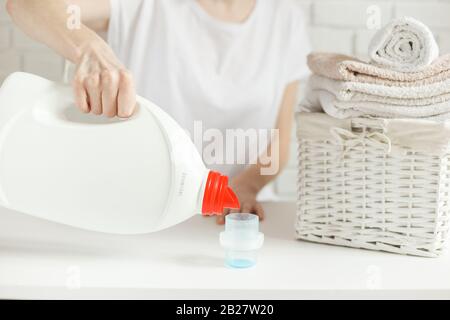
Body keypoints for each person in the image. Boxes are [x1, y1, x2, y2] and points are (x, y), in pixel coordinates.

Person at [6, 0, 310, 224]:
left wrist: (245, 186)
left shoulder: (286, 19)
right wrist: (88, 48)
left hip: (234, 220)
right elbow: (26, 5)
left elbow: (279, 142)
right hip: (139, 218)